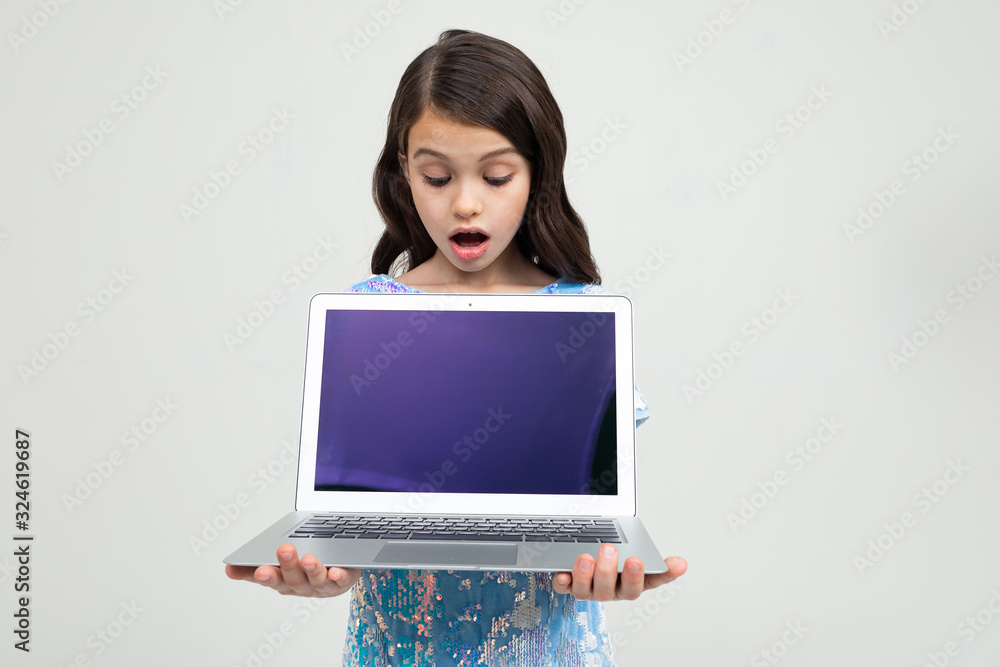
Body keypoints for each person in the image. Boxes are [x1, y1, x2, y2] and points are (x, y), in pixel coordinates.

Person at [226, 29, 687, 665]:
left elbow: (597, 511)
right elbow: (355, 508)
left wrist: (605, 566)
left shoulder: (579, 318)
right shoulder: (371, 313)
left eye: (496, 176)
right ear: (403, 175)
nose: (466, 203)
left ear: (537, 176)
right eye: (437, 176)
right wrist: (327, 565)